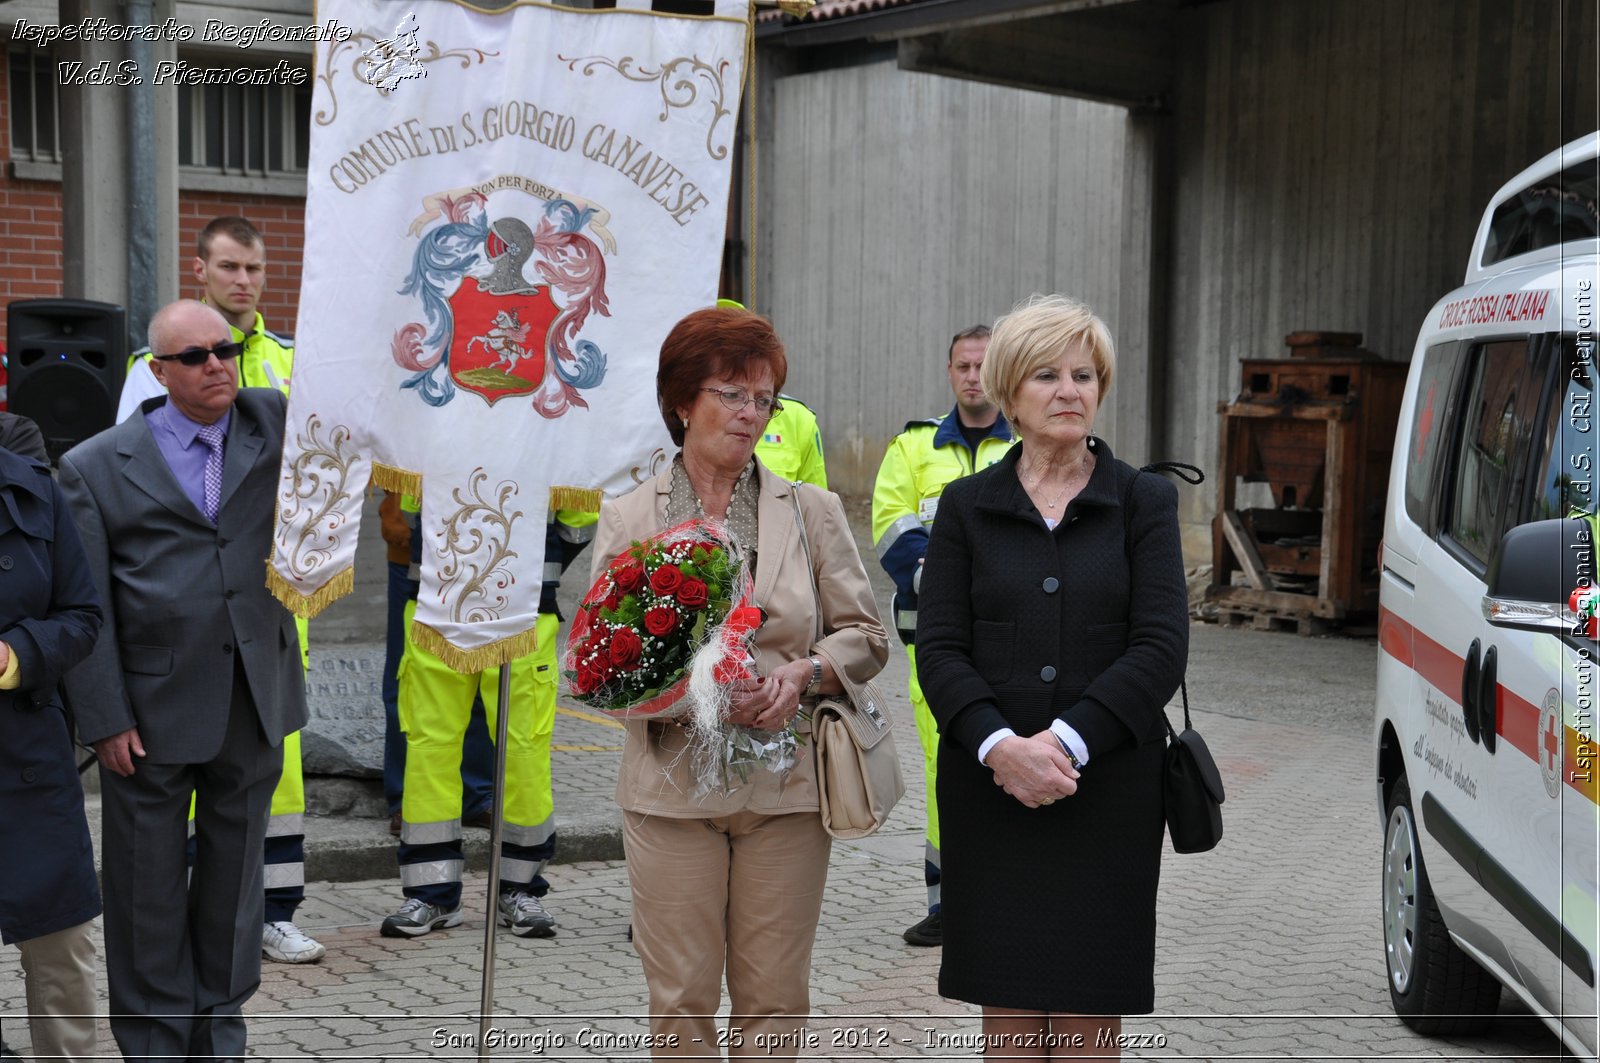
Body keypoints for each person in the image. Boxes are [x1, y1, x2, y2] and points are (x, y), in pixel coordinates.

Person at [592, 305, 887, 1059]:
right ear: (683, 400)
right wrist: (690, 689)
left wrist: (807, 671)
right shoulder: (631, 513)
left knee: (776, 1002)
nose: (751, 414)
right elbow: (601, 665)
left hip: (784, 792)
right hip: (670, 791)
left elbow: (866, 635)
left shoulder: (811, 510)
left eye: (765, 399)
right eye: (732, 393)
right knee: (682, 1003)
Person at [914, 294, 1188, 1057]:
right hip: (991, 797)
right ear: (1007, 393)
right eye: (1046, 374)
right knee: (1007, 1027)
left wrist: (1064, 743)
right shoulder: (966, 506)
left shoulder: (1143, 501)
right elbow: (938, 648)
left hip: (1108, 798)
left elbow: (1161, 646)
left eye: (1084, 373)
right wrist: (1002, 747)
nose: (1070, 390)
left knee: (1087, 1030)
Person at [59, 299, 309, 1061]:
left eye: (226, 350)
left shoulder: (272, 426)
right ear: (157, 371)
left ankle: (217, 1031)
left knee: (236, 889)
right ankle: (154, 1042)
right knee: (146, 891)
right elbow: (88, 601)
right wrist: (103, 716)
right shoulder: (96, 465)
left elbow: (348, 406)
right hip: (149, 713)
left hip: (251, 701)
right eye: (195, 356)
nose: (216, 365)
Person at [112, 216, 322, 964]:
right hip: (184, 625)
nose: (244, 280)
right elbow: (135, 487)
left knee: (273, 774)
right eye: (230, 266)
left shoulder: (291, 362)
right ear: (201, 269)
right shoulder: (152, 365)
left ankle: (274, 907)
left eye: (255, 268)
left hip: (273, 606)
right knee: (182, 804)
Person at [382, 507, 593, 938]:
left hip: (522, 610)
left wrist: (531, 570)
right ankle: (431, 892)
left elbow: (581, 514)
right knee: (429, 752)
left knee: (523, 756)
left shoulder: (547, 437)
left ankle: (518, 890)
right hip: (435, 610)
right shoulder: (430, 436)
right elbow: (406, 508)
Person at [870, 324, 1014, 947]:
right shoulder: (912, 447)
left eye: (984, 364)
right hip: (935, 644)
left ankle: (1013, 897)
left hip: (1013, 644)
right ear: (949, 372)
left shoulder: (1025, 444)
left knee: (1015, 763)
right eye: (963, 365)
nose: (973, 375)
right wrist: (963, 582)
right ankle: (947, 903)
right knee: (944, 768)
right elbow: (890, 530)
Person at [0, 412, 104, 1061]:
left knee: (64, 947)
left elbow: (82, 613)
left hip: (28, 759)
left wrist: (15, 653)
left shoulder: (35, 486)